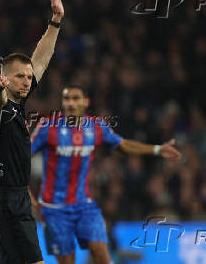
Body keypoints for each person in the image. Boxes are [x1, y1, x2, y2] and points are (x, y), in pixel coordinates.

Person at [31, 84, 182, 264]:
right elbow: (21, 158)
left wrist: (157, 149)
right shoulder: (48, 127)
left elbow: (123, 144)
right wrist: (25, 193)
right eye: (67, 99)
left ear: (86, 102)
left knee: (101, 252)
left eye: (75, 98)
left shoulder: (96, 127)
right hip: (54, 208)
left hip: (83, 204)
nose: (71, 103)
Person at [0, 0, 65, 263]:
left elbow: (40, 60)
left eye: (29, 78)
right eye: (20, 77)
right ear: (5, 78)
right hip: (5, 201)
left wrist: (55, 21)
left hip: (14, 198)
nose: (27, 81)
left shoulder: (19, 103)